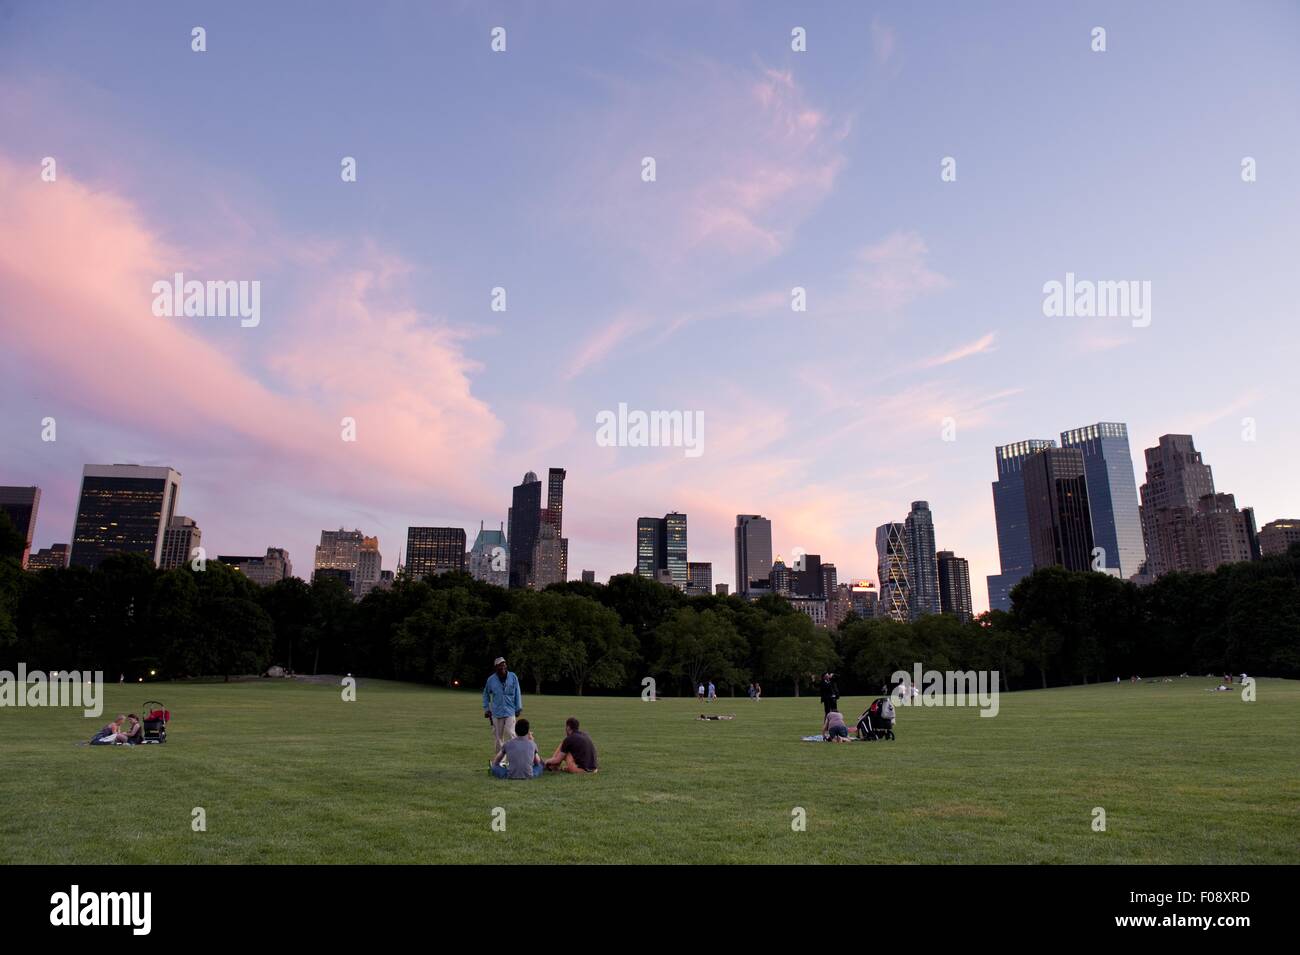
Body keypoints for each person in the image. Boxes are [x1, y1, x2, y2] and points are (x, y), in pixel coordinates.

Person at [482, 657, 523, 755]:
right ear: (496, 667)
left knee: (512, 734)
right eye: (500, 665)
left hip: (510, 711)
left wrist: (518, 708)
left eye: (504, 664)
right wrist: (487, 709)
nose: (503, 666)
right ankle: (500, 762)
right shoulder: (491, 680)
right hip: (497, 712)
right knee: (498, 738)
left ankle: (514, 759)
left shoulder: (513, 677)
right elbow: (485, 694)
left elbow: (518, 692)